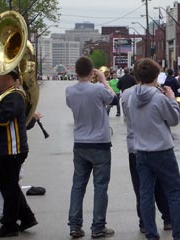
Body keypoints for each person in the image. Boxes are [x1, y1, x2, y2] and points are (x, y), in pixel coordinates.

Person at [126, 58, 180, 240]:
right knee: (174, 192)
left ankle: (151, 234)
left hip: (141, 151)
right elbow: (174, 120)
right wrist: (171, 99)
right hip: (162, 150)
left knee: (146, 194)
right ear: (156, 75)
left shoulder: (131, 97)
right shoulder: (158, 97)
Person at [65, 57, 116, 239]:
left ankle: (75, 226)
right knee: (100, 186)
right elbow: (113, 98)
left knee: (78, 185)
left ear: (76, 71)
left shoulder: (69, 91)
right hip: (100, 143)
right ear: (91, 71)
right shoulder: (99, 89)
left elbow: (72, 105)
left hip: (79, 143)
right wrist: (103, 80)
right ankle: (98, 226)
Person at [121, 81, 172, 235]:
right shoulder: (158, 94)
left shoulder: (126, 94)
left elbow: (127, 116)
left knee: (142, 188)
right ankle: (168, 219)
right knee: (162, 186)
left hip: (135, 145)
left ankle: (144, 223)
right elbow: (170, 118)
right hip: (158, 145)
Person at [0, 69, 38, 238]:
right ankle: (27, 217)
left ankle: (10, 224)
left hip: (11, 149)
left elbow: (3, 118)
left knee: (9, 188)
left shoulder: (14, 95)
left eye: (0, 77)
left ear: (10, 79)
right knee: (10, 185)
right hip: (6, 149)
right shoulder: (6, 95)